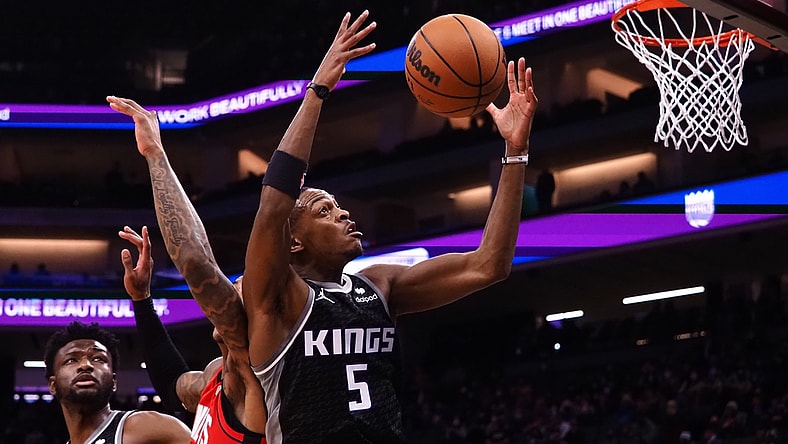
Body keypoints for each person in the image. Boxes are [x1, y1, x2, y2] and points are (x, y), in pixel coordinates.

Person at [241, 9, 537, 444]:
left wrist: (515, 151)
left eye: (339, 207)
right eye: (324, 210)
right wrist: (319, 90)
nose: (343, 214)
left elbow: (488, 265)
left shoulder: (378, 287)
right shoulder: (275, 299)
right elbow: (273, 203)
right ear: (294, 242)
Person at [119, 225, 266, 443]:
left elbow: (195, 260)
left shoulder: (256, 378)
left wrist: (161, 188)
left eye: (238, 291)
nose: (229, 296)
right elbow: (171, 383)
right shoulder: (215, 373)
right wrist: (142, 299)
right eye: (231, 287)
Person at [44, 320, 190, 443]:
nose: (85, 365)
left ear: (114, 381)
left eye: (98, 359)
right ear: (53, 385)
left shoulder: (149, 428)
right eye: (71, 360)